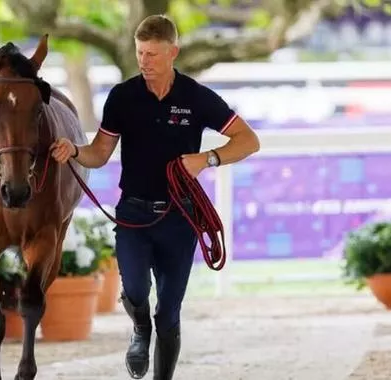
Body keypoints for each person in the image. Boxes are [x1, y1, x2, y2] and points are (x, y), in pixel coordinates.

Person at [50, 14, 260, 380]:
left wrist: (206, 158)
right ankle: (139, 329)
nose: (144, 62)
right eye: (140, 53)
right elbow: (99, 153)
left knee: (170, 312)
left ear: (173, 52)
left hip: (181, 216)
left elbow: (248, 140)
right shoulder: (122, 97)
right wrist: (74, 150)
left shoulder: (196, 97)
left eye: (152, 54)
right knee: (133, 289)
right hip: (133, 213)